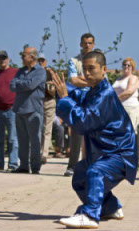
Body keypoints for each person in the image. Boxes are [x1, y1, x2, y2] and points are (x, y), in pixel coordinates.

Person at [48, 51, 138, 229]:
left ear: (104, 69)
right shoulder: (95, 91)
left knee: (95, 173)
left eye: (91, 69)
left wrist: (64, 98)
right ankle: (110, 208)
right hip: (105, 153)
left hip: (119, 154)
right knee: (80, 175)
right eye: (84, 69)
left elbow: (83, 122)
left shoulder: (104, 96)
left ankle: (89, 214)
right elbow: (80, 97)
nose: (87, 73)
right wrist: (61, 91)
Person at [64, 33, 96, 177]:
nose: (87, 45)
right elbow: (73, 80)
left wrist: (82, 78)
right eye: (85, 43)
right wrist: (91, 81)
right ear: (80, 44)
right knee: (76, 134)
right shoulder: (74, 61)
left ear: (93, 44)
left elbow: (101, 79)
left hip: (95, 99)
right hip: (79, 100)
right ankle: (72, 166)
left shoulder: (98, 60)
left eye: (90, 43)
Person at [10, 47, 46, 174]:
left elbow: (31, 85)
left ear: (32, 57)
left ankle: (35, 166)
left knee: (35, 140)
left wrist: (21, 84)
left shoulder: (40, 71)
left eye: (23, 55)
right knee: (22, 140)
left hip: (33, 110)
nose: (21, 57)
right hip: (19, 109)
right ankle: (24, 166)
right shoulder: (20, 71)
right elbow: (12, 86)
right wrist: (23, 84)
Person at [0, 50, 19, 172]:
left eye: (4, 58)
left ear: (8, 59)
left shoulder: (15, 72)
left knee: (12, 139)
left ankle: (12, 164)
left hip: (12, 109)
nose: (2, 60)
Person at [112, 57, 139, 133]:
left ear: (132, 68)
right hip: (119, 109)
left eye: (129, 65)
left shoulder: (133, 78)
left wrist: (114, 100)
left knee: (130, 132)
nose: (126, 66)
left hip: (130, 108)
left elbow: (129, 92)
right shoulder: (118, 79)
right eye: (124, 65)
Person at [38, 53, 56, 164]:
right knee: (37, 128)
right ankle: (36, 153)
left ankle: (44, 154)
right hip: (37, 102)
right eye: (38, 60)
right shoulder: (33, 72)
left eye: (42, 60)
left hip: (49, 101)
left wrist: (51, 87)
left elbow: (54, 91)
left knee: (47, 129)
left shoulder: (50, 73)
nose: (40, 62)